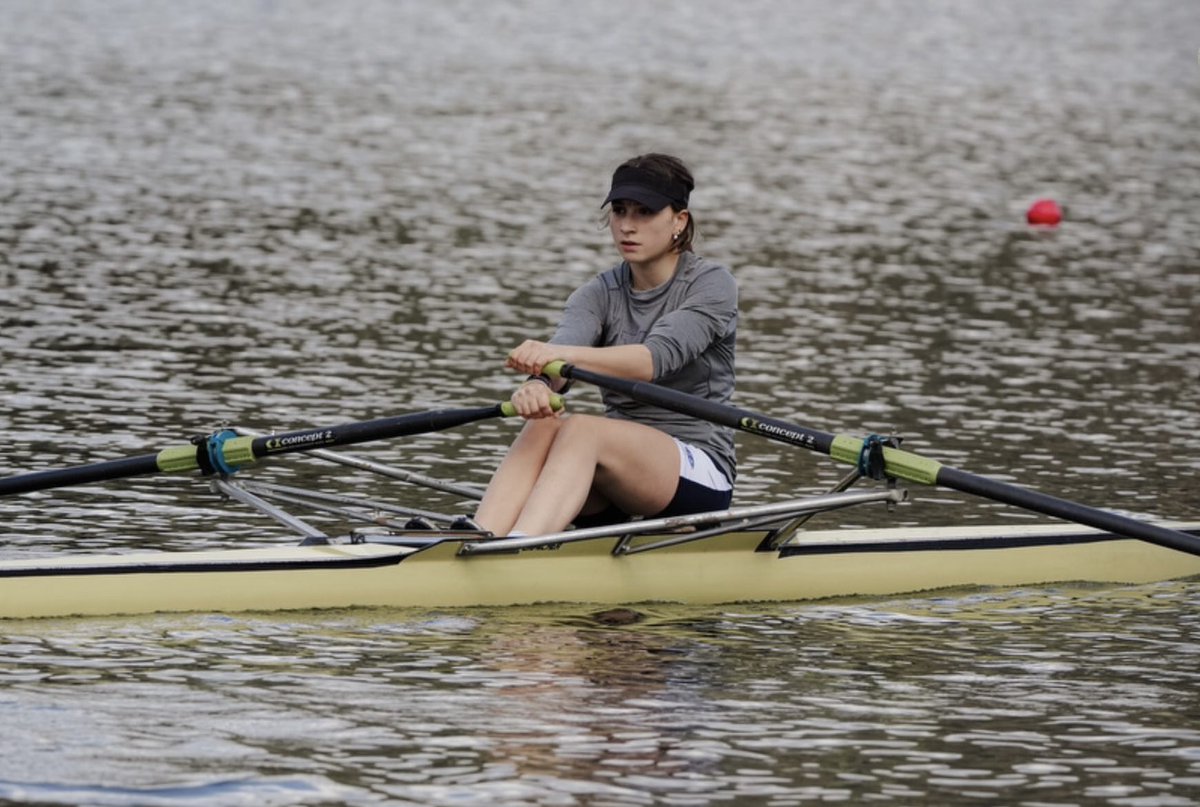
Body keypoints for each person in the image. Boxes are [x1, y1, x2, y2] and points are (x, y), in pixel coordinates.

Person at [473, 153, 738, 537]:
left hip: (697, 472)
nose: (627, 226)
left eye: (644, 212)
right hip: (612, 470)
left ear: (679, 221)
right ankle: (482, 535)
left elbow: (652, 360)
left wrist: (556, 357)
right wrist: (538, 386)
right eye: (619, 211)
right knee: (545, 421)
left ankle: (518, 548)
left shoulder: (712, 285)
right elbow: (560, 357)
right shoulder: (596, 293)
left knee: (582, 428)